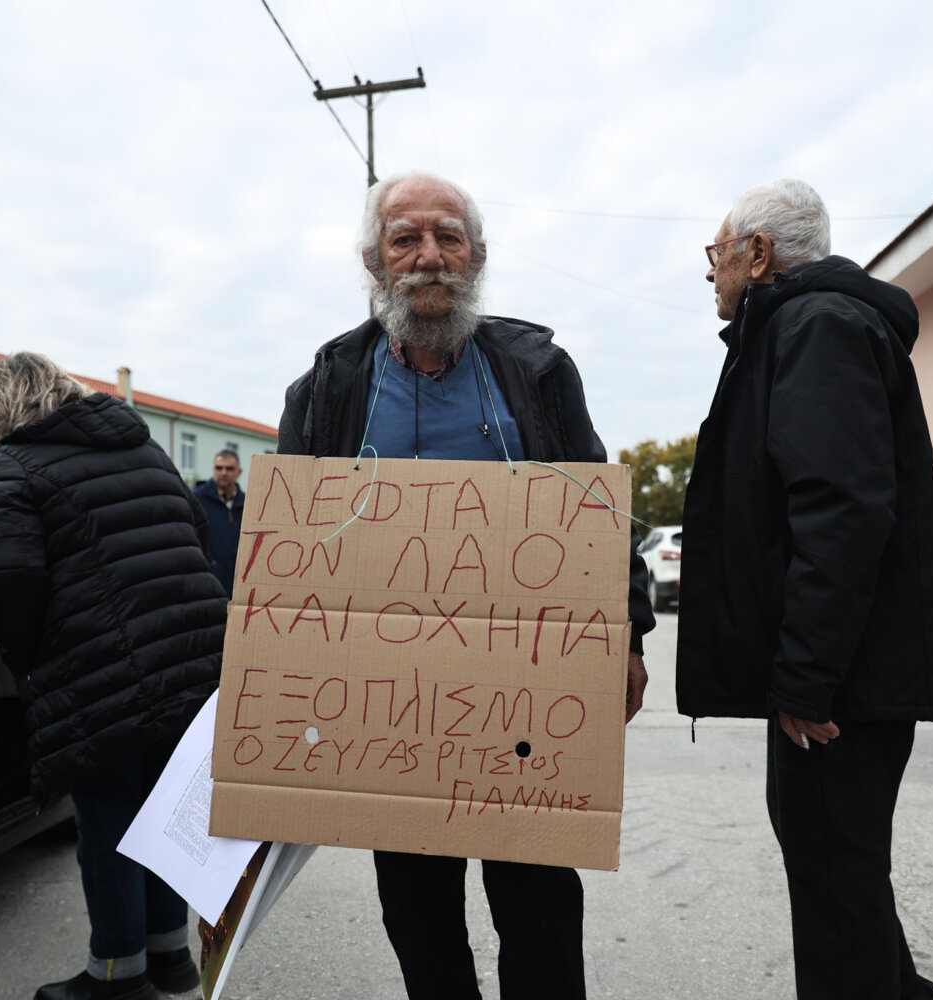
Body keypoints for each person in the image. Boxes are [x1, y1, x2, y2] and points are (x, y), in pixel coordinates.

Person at [278, 170, 654, 1000]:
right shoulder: (328, 387)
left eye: (448, 237)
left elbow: (595, 506)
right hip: (386, 704)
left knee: (539, 901)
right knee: (416, 909)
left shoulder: (537, 371)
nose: (429, 256)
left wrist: (627, 634)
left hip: (528, 693)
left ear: (477, 257)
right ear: (374, 261)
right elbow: (288, 553)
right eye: (406, 239)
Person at [676, 179, 933, 1000]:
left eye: (716, 252)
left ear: (758, 253)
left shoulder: (817, 326)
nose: (709, 271)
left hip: (842, 681)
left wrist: (806, 676)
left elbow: (841, 510)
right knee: (839, 873)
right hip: (841, 671)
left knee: (836, 876)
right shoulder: (803, 326)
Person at [0, 353, 226, 1000]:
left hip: (100, 671)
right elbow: (194, 540)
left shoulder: (9, 467)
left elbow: (9, 583)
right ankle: (169, 958)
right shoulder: (145, 451)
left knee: (107, 825)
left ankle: (116, 974)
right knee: (160, 820)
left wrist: (29, 665)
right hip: (194, 662)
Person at [193, 449, 245, 597]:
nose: (223, 472)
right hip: (207, 581)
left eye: (229, 469)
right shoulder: (196, 499)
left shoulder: (247, 503)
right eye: (219, 468)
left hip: (238, 583)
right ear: (213, 469)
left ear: (239, 472)